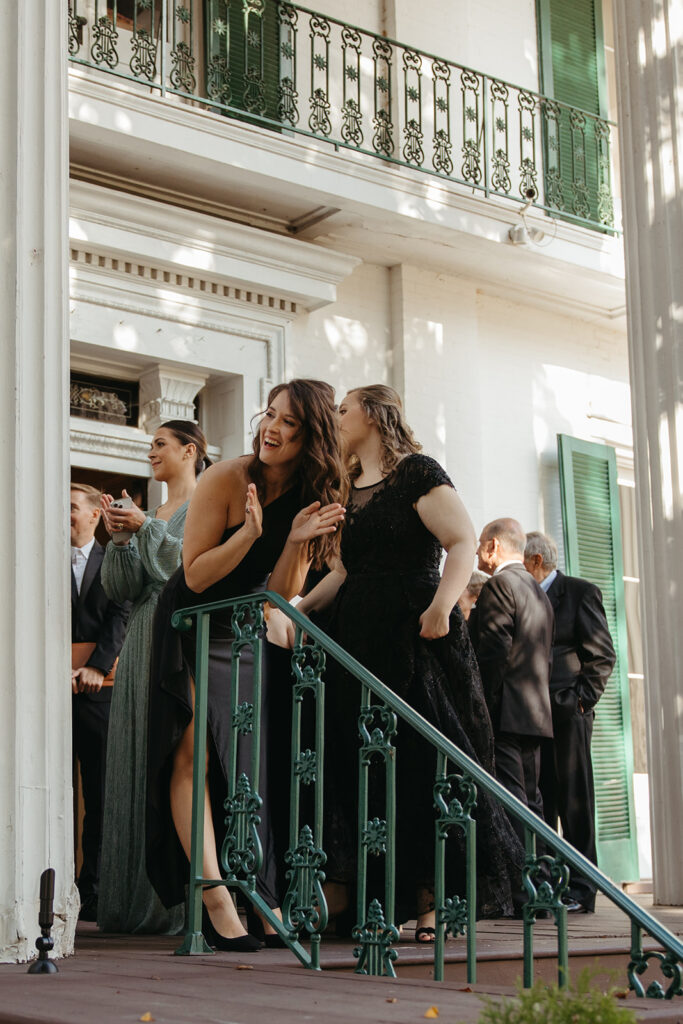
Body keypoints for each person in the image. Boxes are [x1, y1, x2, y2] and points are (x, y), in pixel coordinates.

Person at [290, 385, 523, 941]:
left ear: (372, 413)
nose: (337, 417)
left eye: (344, 408)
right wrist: (298, 610)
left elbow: (462, 542)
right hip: (357, 639)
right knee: (370, 770)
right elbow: (345, 574)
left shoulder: (417, 472)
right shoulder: (349, 486)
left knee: (424, 767)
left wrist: (442, 607)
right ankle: (382, 899)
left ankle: (434, 902)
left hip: (416, 635)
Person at [145, 380, 346, 952]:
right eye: (269, 415)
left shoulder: (310, 492)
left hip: (243, 629)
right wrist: (252, 533)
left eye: (288, 423)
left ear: (312, 437)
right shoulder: (227, 478)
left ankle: (259, 894)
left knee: (244, 767)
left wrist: (294, 542)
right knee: (195, 757)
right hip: (192, 623)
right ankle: (216, 902)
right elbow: (196, 575)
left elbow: (279, 595)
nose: (270, 429)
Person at [96, 421, 209, 934]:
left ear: (190, 451)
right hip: (140, 635)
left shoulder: (206, 500)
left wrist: (143, 527)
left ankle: (176, 905)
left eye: (160, 443)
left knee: (169, 759)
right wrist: (120, 538)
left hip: (180, 635)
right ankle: (127, 903)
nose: (151, 451)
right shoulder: (153, 510)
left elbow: (185, 568)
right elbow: (121, 588)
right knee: (129, 759)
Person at [524, 531, 616, 913]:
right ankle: (548, 887)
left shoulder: (580, 592)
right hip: (531, 715)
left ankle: (582, 889)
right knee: (542, 799)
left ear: (535, 562)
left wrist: (578, 702)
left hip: (568, 715)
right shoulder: (523, 598)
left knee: (575, 802)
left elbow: (602, 656)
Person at [470, 519, 554, 843]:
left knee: (512, 802)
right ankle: (541, 878)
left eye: (480, 543)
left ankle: (521, 888)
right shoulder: (539, 592)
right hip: (535, 714)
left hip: (504, 713)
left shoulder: (499, 586)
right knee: (533, 802)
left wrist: (481, 708)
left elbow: (494, 654)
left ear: (493, 546)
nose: (477, 551)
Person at [70, 483, 130, 922]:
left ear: (94, 516)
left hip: (98, 688)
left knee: (99, 790)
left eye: (71, 508)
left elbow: (121, 614)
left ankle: (90, 890)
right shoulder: (33, 559)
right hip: (47, 689)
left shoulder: (113, 561)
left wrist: (95, 666)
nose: (64, 515)